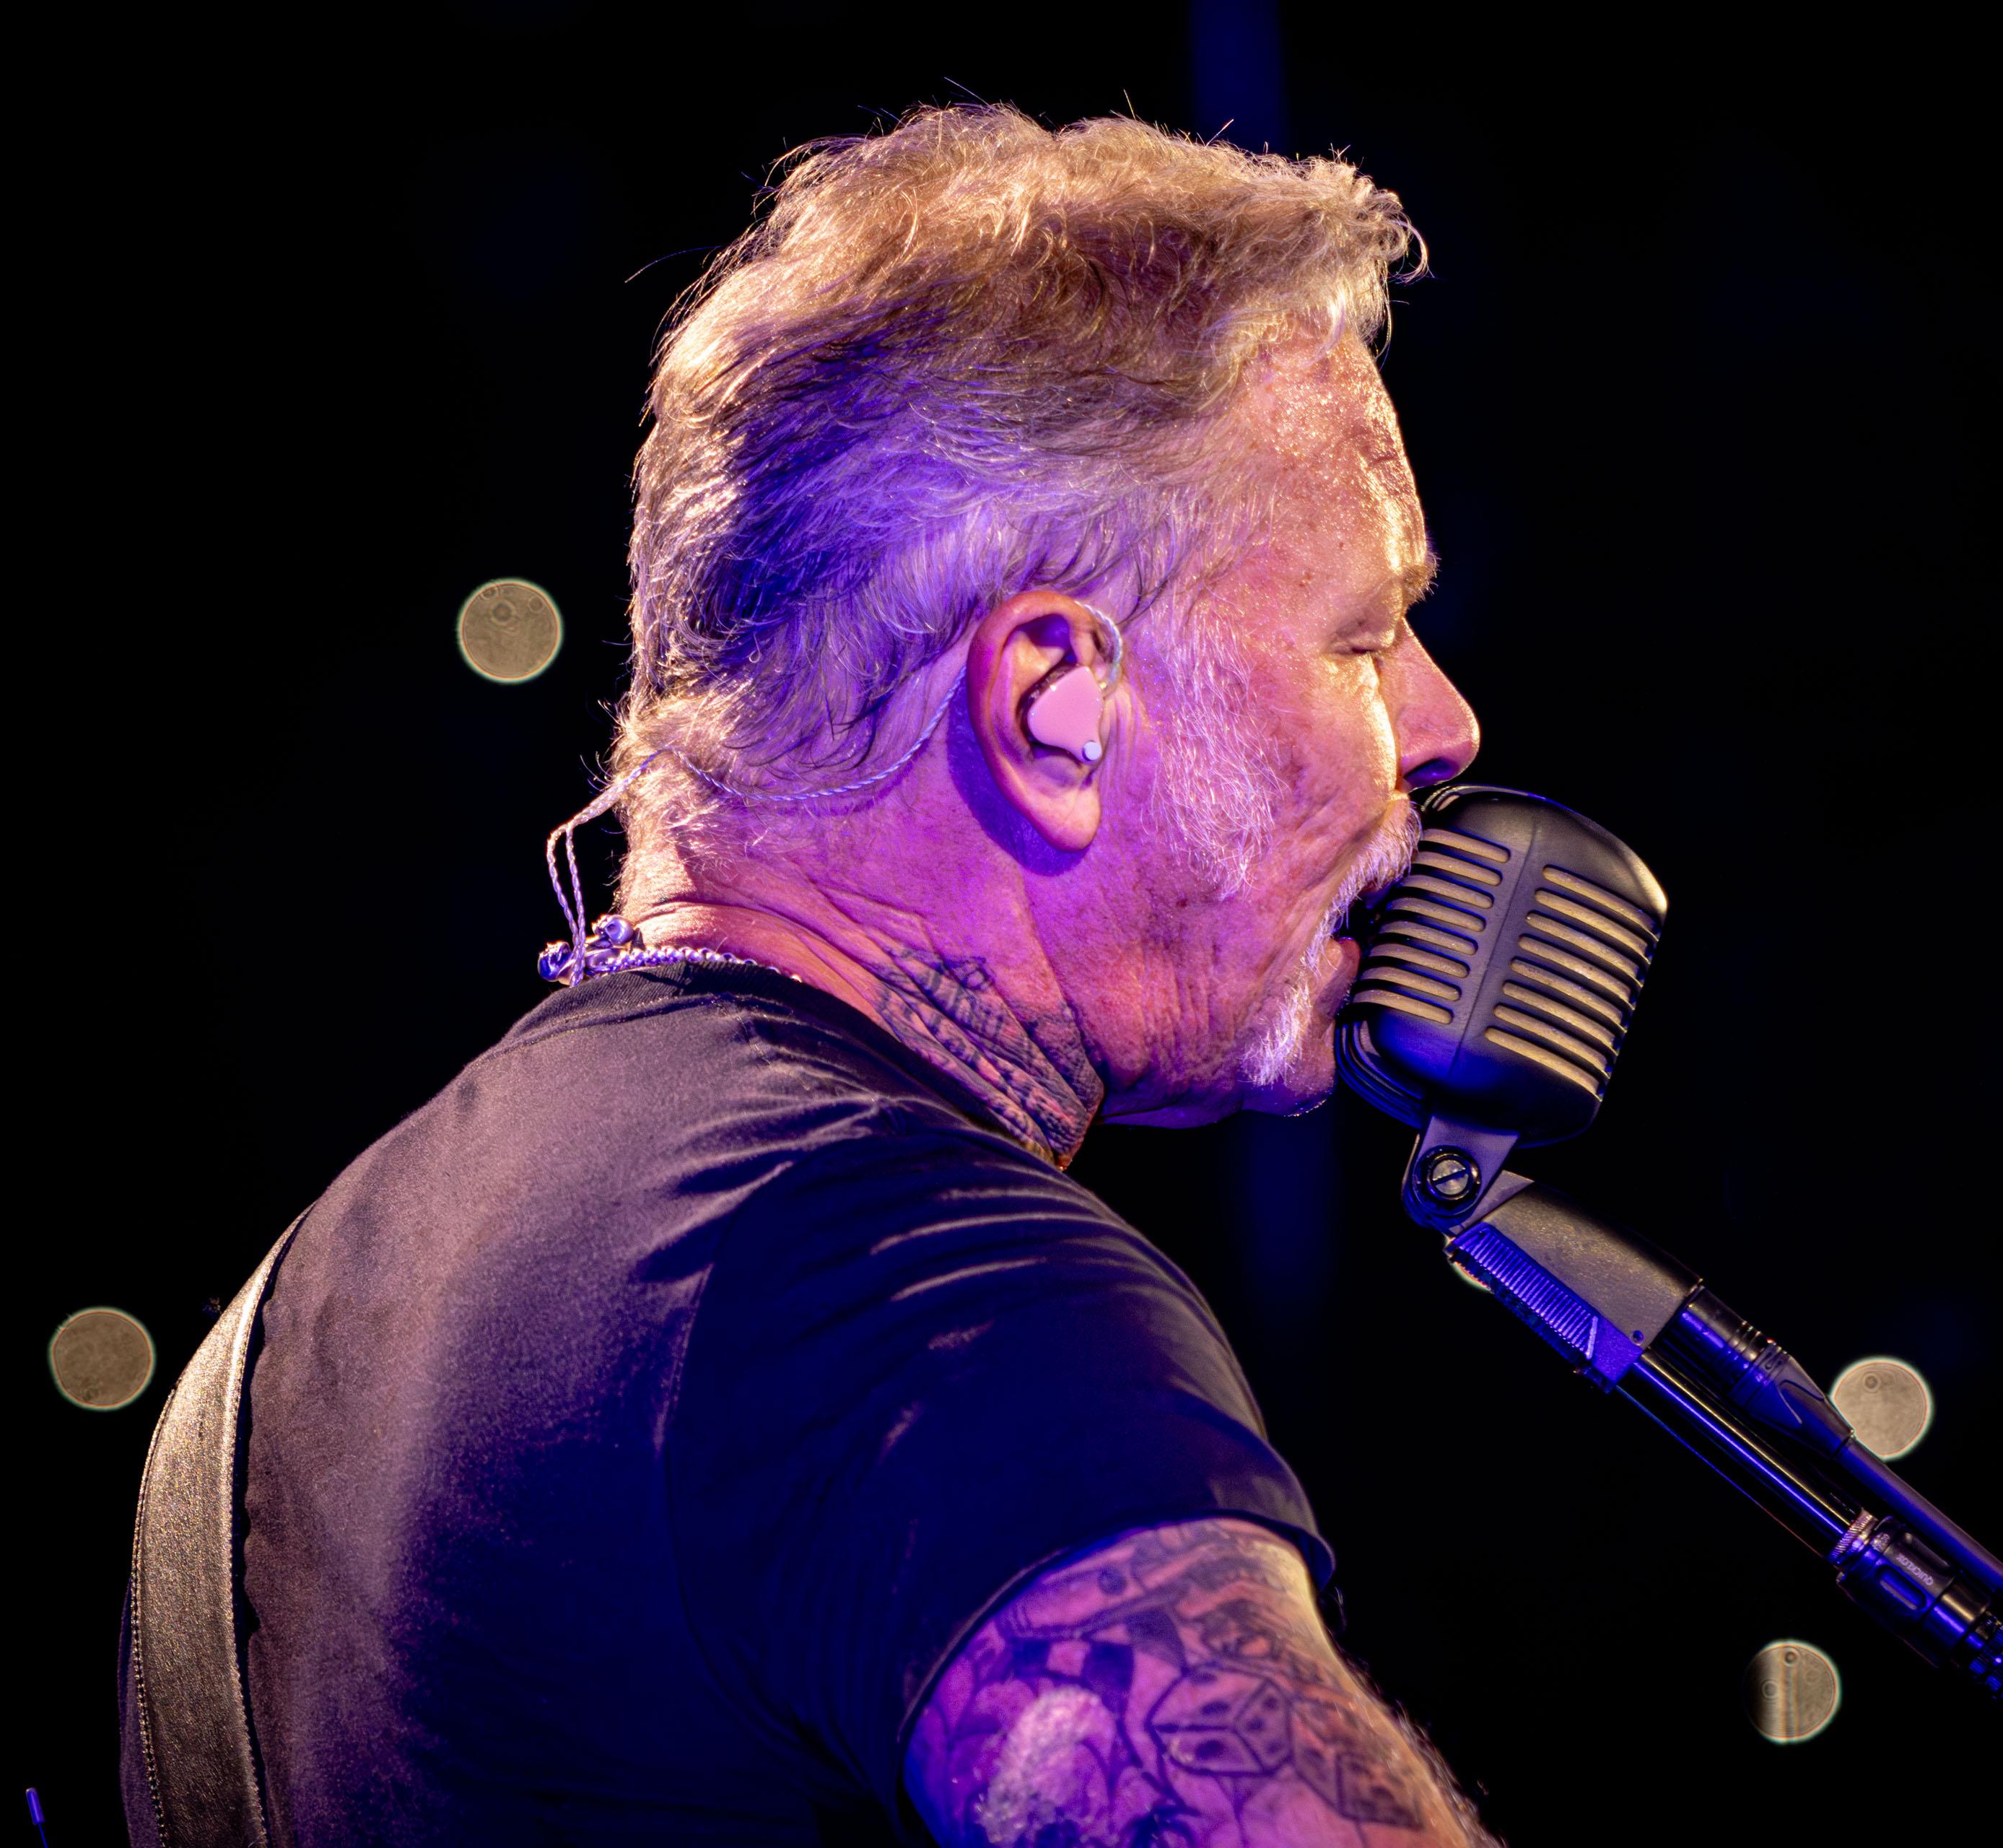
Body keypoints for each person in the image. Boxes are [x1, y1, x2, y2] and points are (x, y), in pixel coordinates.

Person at [123, 107, 1493, 1846]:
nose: (1444, 724)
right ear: (1054, 705)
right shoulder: (926, 1295)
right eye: (1364, 633)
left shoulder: (275, 1343)